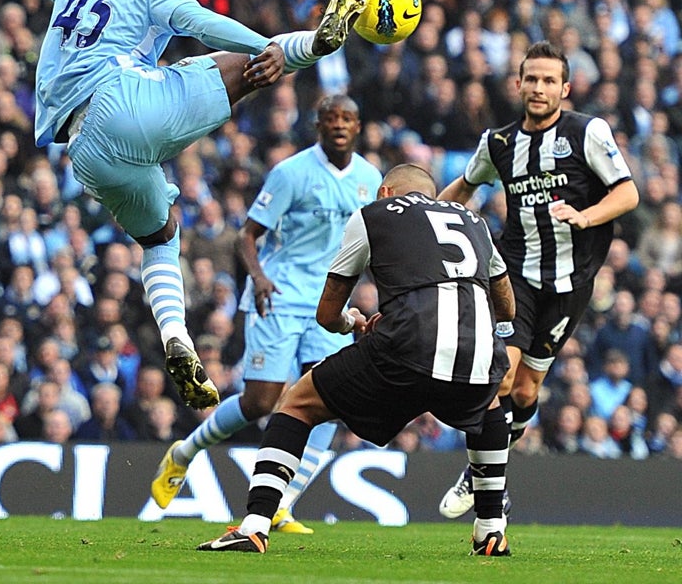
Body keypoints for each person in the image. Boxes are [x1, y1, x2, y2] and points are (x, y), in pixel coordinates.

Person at [0, 0, 369, 409]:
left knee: (161, 235)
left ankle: (174, 335)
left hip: (84, 150)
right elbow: (198, 23)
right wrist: (263, 45)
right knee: (239, 63)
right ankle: (315, 43)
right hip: (125, 102)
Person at [197, 164, 515, 556]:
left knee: (298, 404)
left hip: (407, 344)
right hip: (479, 348)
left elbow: (328, 314)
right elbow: (507, 307)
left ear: (384, 192)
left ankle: (255, 524)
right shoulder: (474, 221)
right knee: (488, 408)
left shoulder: (372, 215)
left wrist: (356, 322)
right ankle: (490, 530)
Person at [150, 95, 382, 534]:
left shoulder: (370, 179)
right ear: (317, 126)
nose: (339, 125)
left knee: (331, 400)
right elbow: (247, 236)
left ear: (357, 127)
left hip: (328, 302)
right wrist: (257, 277)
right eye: (331, 118)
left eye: (347, 119)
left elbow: (371, 244)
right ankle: (183, 454)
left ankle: (282, 503)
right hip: (278, 296)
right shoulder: (292, 172)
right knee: (261, 400)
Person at [435, 41, 638, 519]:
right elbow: (462, 189)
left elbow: (627, 192)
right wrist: (419, 220)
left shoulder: (588, 132)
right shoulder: (499, 143)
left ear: (565, 88)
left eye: (550, 81)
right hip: (515, 276)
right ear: (519, 84)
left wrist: (585, 218)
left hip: (571, 284)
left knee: (526, 391)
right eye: (532, 79)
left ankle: (485, 466)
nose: (540, 88)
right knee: (501, 373)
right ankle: (489, 483)